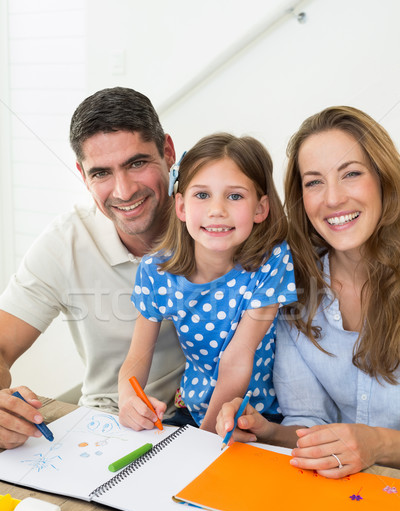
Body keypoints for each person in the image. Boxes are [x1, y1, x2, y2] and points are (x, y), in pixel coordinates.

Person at [216, 106, 400, 478]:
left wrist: (378, 444)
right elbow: (310, 421)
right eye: (314, 182)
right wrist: (265, 431)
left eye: (350, 174)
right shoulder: (294, 287)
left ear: (384, 179)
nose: (332, 199)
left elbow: (363, 445)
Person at [0, 87, 185, 449]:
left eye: (136, 163)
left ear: (167, 152)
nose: (124, 190)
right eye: (101, 173)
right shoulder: (65, 242)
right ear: (83, 175)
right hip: (108, 427)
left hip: (210, 425)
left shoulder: (216, 218)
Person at [118, 133, 297, 433]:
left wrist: (205, 440)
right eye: (202, 195)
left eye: (235, 196)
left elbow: (238, 358)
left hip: (258, 416)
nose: (217, 210)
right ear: (181, 206)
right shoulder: (156, 271)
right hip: (192, 410)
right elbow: (137, 356)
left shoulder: (271, 260)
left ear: (260, 209)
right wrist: (127, 398)